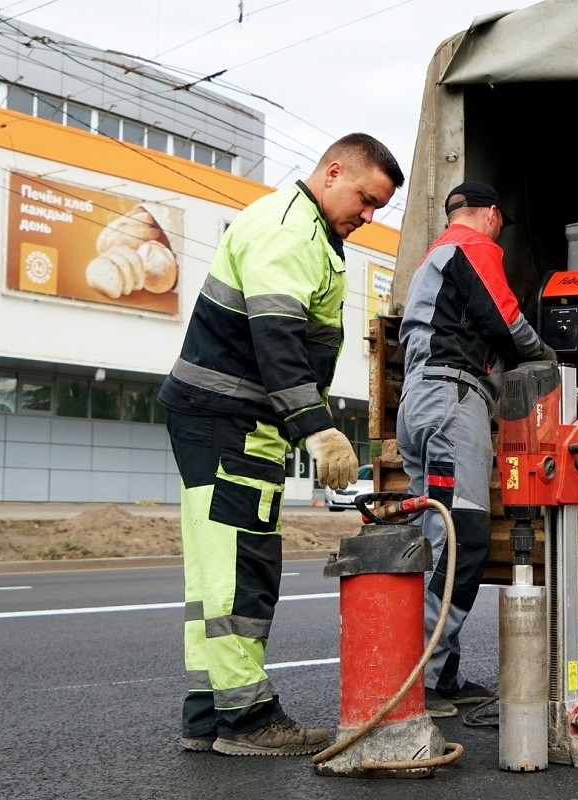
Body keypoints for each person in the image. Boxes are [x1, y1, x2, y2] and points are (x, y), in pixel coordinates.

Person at [158, 132, 404, 756]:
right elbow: (276, 340)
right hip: (226, 420)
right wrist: (317, 427)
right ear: (333, 171)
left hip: (231, 420)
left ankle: (208, 713)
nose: (369, 216)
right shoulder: (289, 230)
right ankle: (246, 719)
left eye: (378, 208)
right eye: (365, 199)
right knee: (241, 569)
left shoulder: (310, 232)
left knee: (218, 571)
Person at [396, 181, 557, 718]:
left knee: (435, 534)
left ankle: (435, 673)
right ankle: (426, 677)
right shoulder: (474, 246)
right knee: (462, 536)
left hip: (420, 401)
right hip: (452, 400)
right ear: (490, 213)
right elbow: (503, 319)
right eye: (501, 226)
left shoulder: (432, 258)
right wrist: (546, 357)